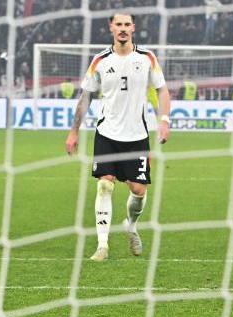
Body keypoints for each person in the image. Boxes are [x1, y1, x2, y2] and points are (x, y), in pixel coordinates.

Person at [65, 12, 171, 262]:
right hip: (107, 133)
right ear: (111, 28)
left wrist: (164, 121)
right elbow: (86, 97)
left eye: (127, 24)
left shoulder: (147, 58)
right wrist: (73, 130)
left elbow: (162, 91)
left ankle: (131, 226)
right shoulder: (100, 60)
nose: (122, 29)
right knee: (105, 184)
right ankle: (102, 245)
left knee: (138, 191)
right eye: (118, 24)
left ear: (133, 27)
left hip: (136, 136)